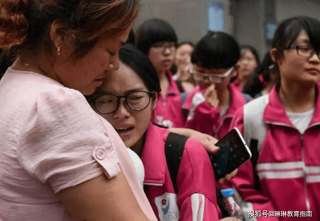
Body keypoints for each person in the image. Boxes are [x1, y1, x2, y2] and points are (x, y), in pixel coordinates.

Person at [0, 0, 157, 220]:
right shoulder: (55, 105)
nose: (114, 64)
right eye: (110, 50)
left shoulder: (12, 86)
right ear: (62, 36)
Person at [87, 44, 239, 221]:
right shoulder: (80, 158)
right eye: (106, 101)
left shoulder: (187, 154)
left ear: (154, 100)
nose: (121, 113)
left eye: (135, 98)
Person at [230, 16, 320, 221]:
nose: (315, 58)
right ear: (276, 56)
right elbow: (235, 188)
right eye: (304, 49)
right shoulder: (249, 117)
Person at [183, 31, 251, 140]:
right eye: (200, 73)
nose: (206, 81)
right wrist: (203, 114)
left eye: (215, 75)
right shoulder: (182, 105)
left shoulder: (248, 108)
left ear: (235, 70)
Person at [135, 18, 185, 128]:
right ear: (144, 49)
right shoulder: (136, 88)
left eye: (171, 45)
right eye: (158, 45)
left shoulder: (180, 89)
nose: (167, 52)